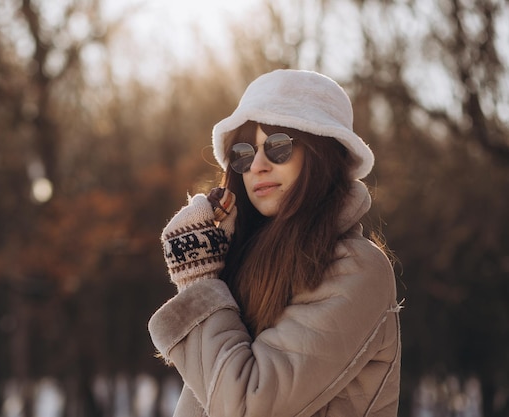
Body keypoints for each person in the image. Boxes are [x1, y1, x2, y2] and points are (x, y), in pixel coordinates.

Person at [149, 69, 402, 417]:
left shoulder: (357, 269)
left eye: (278, 146)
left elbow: (247, 407)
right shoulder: (243, 263)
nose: (257, 165)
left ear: (322, 153)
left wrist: (199, 282)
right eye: (243, 153)